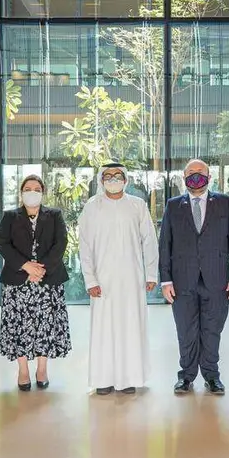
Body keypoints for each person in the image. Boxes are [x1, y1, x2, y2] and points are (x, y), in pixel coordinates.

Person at [159, 159, 229, 395]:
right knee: (185, 331)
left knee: (212, 330)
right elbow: (165, 243)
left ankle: (211, 375)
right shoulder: (173, 205)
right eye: (191, 173)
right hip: (182, 281)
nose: (195, 176)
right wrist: (165, 280)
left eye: (200, 172)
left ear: (209, 176)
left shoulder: (225, 203)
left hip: (217, 280)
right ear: (183, 177)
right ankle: (185, 377)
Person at [78, 163, 159, 395]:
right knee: (103, 329)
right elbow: (85, 245)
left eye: (117, 176)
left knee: (130, 326)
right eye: (108, 176)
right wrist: (90, 280)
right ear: (101, 180)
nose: (113, 179)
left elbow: (149, 241)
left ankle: (129, 377)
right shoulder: (92, 207)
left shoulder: (138, 205)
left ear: (126, 179)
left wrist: (151, 273)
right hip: (102, 280)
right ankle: (103, 379)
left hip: (132, 278)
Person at [0, 174, 72, 391]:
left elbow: (61, 243)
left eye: (36, 188)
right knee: (18, 325)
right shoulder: (10, 216)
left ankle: (42, 368)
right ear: (21, 193)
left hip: (47, 281)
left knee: (45, 325)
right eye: (28, 188)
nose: (32, 192)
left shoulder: (55, 215)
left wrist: (40, 268)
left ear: (43, 192)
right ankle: (22, 370)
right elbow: (3, 244)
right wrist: (26, 266)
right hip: (18, 281)